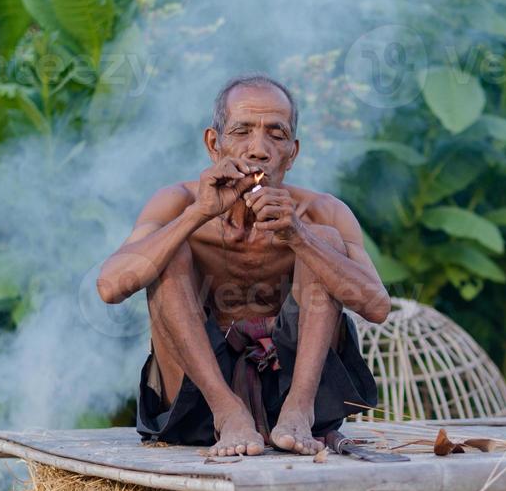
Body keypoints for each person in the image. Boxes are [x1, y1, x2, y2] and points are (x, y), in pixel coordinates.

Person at [97, 74, 389, 456]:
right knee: (168, 252)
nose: (259, 149)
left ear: (292, 153)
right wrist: (197, 214)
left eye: (276, 134)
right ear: (213, 144)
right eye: (242, 131)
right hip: (199, 402)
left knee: (325, 242)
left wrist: (300, 236)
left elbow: (377, 306)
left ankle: (297, 411)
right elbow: (110, 287)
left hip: (297, 397)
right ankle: (229, 413)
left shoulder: (322, 211)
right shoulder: (177, 202)